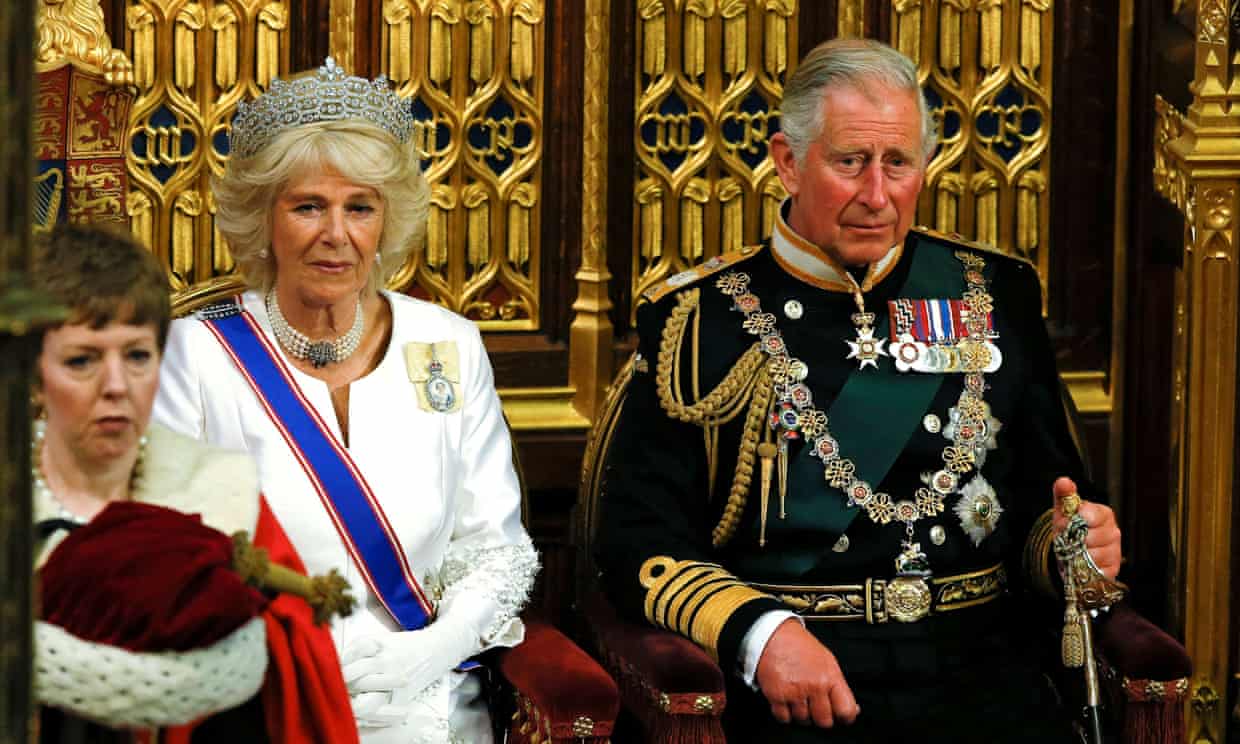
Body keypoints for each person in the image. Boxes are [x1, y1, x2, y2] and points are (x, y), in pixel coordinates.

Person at [595, 38, 1122, 743]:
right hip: (800, 693)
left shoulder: (992, 293)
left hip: (982, 682)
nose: (878, 195)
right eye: (851, 163)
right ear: (787, 161)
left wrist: (1071, 545)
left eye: (898, 163)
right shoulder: (701, 321)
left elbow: (1042, 497)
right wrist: (762, 635)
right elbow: (636, 542)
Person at [152, 58, 539, 744]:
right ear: (262, 217)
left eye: (359, 207)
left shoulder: (449, 344)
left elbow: (495, 550)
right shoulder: (191, 357)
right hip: (262, 702)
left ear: (386, 220)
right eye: (308, 206)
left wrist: (433, 649)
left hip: (428, 693)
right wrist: (299, 666)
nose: (336, 233)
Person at [29, 222, 357, 743]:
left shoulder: (220, 495)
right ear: (32, 375)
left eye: (138, 356)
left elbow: (299, 687)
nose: (117, 386)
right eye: (82, 360)